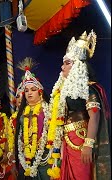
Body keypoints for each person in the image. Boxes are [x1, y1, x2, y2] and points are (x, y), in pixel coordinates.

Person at [46, 30, 111, 180]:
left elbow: (94, 116)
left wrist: (88, 144)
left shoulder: (89, 88)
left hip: (81, 142)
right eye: (63, 63)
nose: (62, 67)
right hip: (68, 140)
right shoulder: (64, 90)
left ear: (78, 66)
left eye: (67, 63)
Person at [14, 57, 51, 179]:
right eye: (27, 90)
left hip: (45, 158)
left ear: (40, 92)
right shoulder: (23, 111)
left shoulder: (47, 109)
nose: (29, 93)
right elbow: (19, 136)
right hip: (27, 159)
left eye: (33, 90)